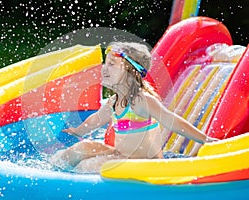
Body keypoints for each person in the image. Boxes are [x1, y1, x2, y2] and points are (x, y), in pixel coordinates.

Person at [51, 42, 218, 173]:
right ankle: (53, 170)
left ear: (130, 71)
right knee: (81, 148)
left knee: (85, 166)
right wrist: (78, 131)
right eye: (105, 63)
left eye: (112, 64)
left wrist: (205, 140)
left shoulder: (141, 100)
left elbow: (171, 121)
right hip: (121, 156)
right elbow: (96, 120)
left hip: (145, 164)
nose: (104, 68)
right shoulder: (113, 102)